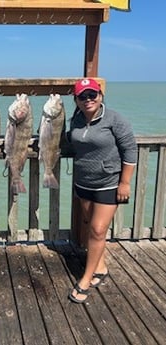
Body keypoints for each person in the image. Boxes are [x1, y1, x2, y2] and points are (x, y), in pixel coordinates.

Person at [66, 78, 137, 303]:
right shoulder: (75, 120)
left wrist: (124, 183)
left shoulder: (115, 119)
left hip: (109, 182)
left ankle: (86, 278)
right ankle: (101, 267)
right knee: (92, 227)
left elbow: (130, 150)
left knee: (97, 230)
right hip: (84, 181)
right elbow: (68, 143)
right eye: (82, 96)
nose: (88, 100)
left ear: (100, 95)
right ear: (76, 100)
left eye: (92, 95)